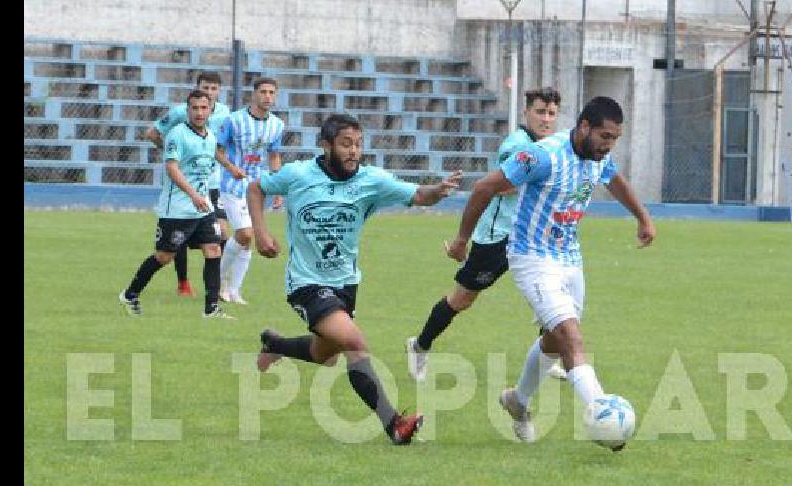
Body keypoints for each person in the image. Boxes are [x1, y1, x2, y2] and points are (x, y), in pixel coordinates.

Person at [446, 96, 656, 447]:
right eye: (605, 136)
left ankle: (518, 401)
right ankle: (606, 417)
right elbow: (485, 187)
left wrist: (643, 217)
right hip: (532, 259)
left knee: (555, 342)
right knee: (571, 337)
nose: (609, 145)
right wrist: (461, 240)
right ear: (585, 127)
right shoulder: (543, 155)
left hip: (570, 259)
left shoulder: (596, 157)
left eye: (615, 139)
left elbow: (615, 179)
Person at [248, 114, 462, 445]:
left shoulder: (371, 180)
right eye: (346, 144)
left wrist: (438, 190)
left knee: (325, 354)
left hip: (346, 284)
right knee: (355, 344)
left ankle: (274, 344)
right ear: (326, 145)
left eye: (359, 145)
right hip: (306, 283)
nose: (354, 151)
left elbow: (419, 195)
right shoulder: (298, 174)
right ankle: (395, 424)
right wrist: (261, 233)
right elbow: (256, 188)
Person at [406, 87, 568, 382]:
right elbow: (502, 185)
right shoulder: (516, 144)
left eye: (551, 113)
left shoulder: (556, 145)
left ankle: (546, 357)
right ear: (526, 113)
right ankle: (419, 345)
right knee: (462, 299)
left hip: (532, 235)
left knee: (550, 293)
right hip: (497, 236)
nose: (546, 119)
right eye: (540, 112)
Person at [119, 90, 233, 319]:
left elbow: (209, 165)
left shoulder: (210, 136)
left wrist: (228, 172)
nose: (200, 112)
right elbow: (172, 169)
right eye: (195, 108)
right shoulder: (177, 135)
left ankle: (211, 308)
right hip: (178, 209)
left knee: (213, 249)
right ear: (187, 110)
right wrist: (193, 194)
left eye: (204, 108)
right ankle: (130, 294)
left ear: (211, 110)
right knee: (164, 256)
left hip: (203, 207)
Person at [147, 72, 232, 297]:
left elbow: (220, 146)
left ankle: (215, 290)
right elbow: (152, 133)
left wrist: (232, 169)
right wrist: (173, 154)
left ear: (219, 91)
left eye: (214, 88)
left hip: (211, 183)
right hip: (185, 185)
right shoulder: (180, 114)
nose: (209, 93)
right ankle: (183, 282)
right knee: (177, 240)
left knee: (222, 233)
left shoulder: (225, 113)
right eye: (205, 87)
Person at [214, 77, 284, 304]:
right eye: (263, 92)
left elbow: (274, 156)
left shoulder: (277, 125)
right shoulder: (234, 120)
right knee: (245, 233)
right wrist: (232, 169)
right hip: (231, 186)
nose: (268, 96)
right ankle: (217, 281)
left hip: (256, 188)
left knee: (248, 239)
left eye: (272, 92)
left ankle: (234, 290)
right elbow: (217, 151)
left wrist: (277, 188)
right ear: (254, 94)